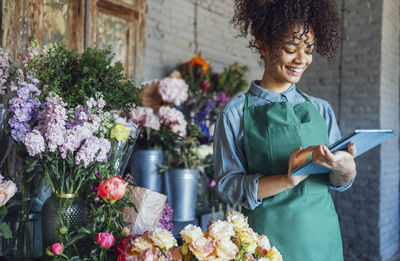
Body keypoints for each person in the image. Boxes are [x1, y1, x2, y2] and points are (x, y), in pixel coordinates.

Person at [213, 0, 357, 260]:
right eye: (291, 48)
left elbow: (337, 183)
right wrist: (287, 179)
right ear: (263, 44)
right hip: (267, 242)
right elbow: (226, 186)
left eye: (309, 49)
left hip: (323, 239)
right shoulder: (234, 113)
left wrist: (345, 170)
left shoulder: (321, 109)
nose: (301, 59)